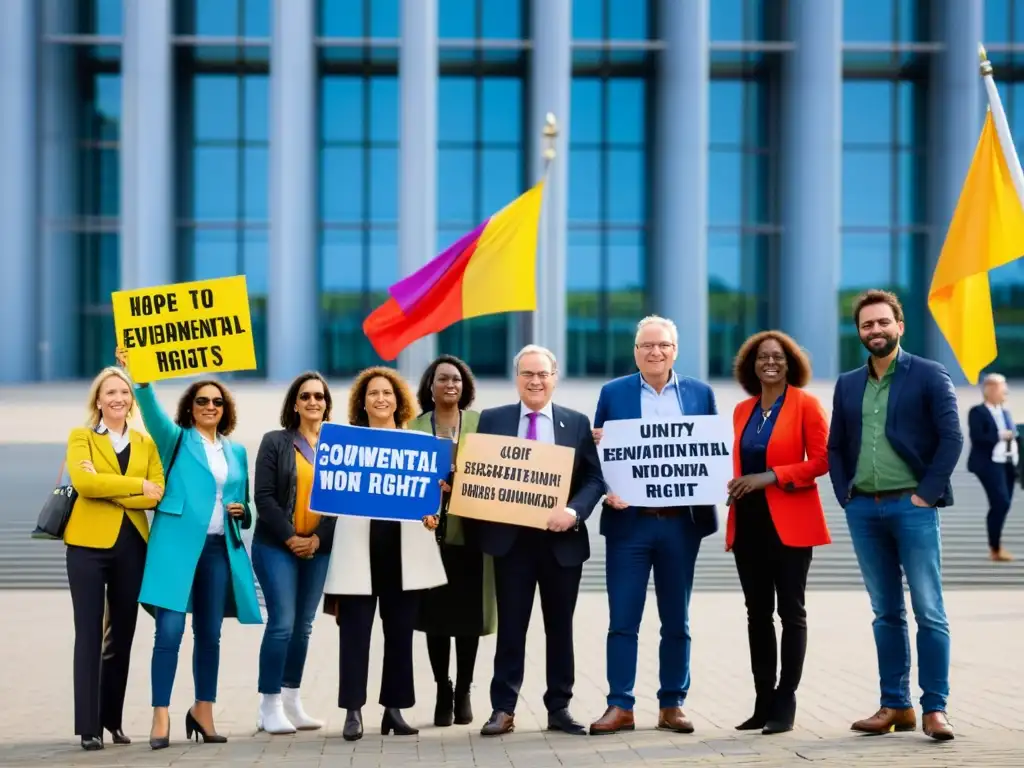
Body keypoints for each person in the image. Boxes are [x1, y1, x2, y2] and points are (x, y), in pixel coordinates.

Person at [827, 290, 962, 741]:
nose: (875, 331)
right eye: (867, 325)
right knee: (885, 612)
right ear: (859, 332)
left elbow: (951, 438)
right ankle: (895, 705)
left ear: (899, 326)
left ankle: (935, 709)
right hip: (864, 509)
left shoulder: (928, 374)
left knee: (929, 610)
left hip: (913, 507)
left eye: (883, 322)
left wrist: (927, 494)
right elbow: (834, 445)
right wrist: (846, 497)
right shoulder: (848, 383)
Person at [117, 349, 263, 750]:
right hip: (176, 549)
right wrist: (137, 375)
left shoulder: (236, 452)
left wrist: (241, 510)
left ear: (225, 408)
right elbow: (148, 408)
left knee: (210, 635)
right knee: (169, 632)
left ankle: (203, 710)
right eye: (202, 401)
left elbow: (246, 507)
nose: (210, 406)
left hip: (219, 551)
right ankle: (160, 714)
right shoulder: (175, 439)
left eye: (217, 401)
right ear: (191, 407)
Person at [587, 316, 719, 737]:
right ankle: (619, 704)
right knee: (622, 618)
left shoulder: (700, 393)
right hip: (629, 524)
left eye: (662, 345)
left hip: (680, 525)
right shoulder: (613, 393)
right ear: (636, 352)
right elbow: (601, 457)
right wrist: (607, 487)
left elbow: (710, 451)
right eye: (646, 345)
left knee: (676, 620)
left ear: (674, 350)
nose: (654, 352)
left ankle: (672, 704)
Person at [474, 345, 604, 737]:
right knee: (512, 627)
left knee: (559, 628)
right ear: (517, 378)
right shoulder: (492, 420)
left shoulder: (575, 423)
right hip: (511, 543)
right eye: (528, 374)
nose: (535, 381)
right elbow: (478, 473)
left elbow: (594, 480)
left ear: (554, 377)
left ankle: (559, 707)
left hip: (561, 543)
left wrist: (575, 511)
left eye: (543, 374)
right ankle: (503, 708)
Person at [321, 366, 448, 742]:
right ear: (363, 401)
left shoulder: (419, 445)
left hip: (404, 553)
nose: (381, 398)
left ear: (399, 401)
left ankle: (394, 710)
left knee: (400, 635)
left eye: (388, 393)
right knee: (355, 635)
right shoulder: (346, 445)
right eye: (374, 393)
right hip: (358, 553)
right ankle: (353, 711)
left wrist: (433, 511)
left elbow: (432, 508)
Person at [725, 331, 831, 735]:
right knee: (757, 615)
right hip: (748, 525)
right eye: (762, 357)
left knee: (791, 613)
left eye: (778, 357)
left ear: (791, 364)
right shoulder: (741, 410)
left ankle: (785, 701)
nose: (770, 362)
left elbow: (821, 460)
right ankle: (762, 700)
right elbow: (731, 460)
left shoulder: (806, 404)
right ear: (751, 366)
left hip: (790, 525)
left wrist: (770, 477)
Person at [64, 365, 164, 750]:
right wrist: (135, 485)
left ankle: (113, 721)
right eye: (110, 393)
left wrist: (111, 488)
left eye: (124, 392)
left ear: (131, 399)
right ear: (98, 400)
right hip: (87, 547)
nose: (118, 398)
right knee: (88, 635)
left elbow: (158, 493)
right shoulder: (82, 438)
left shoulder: (146, 443)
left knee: (121, 636)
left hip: (132, 545)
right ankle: (88, 727)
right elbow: (84, 483)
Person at [411, 354, 496, 727]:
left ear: (466, 387)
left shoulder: (483, 424)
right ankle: (442, 688)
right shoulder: (412, 427)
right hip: (427, 536)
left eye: (457, 380)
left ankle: (464, 688)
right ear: (430, 385)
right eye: (443, 379)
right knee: (435, 619)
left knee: (468, 618)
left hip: (472, 536)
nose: (450, 385)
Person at [252, 372, 338, 733]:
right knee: (282, 623)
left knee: (303, 626)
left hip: (317, 547)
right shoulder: (275, 442)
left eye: (319, 396)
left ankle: (291, 700)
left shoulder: (337, 448)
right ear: (295, 403)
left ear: (326, 404)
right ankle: (268, 705)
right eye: (306, 396)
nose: (313, 401)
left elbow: (341, 501)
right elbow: (265, 499)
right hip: (276, 546)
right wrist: (291, 537)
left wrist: (317, 539)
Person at [967, 373, 1017, 562]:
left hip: (1008, 463)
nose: (1005, 392)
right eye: (1002, 388)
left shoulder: (1005, 412)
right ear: (990, 390)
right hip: (988, 464)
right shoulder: (977, 412)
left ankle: (997, 546)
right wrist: (1000, 435)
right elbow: (978, 437)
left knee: (1003, 504)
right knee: (1000, 502)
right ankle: (995, 547)